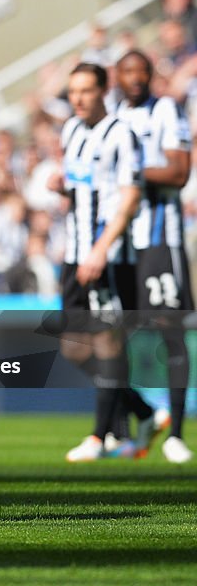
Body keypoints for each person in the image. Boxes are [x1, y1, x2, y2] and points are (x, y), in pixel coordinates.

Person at [51, 63, 152, 463]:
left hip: (108, 255)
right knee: (74, 348)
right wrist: (61, 187)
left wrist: (101, 247)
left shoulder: (121, 134)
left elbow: (129, 196)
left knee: (109, 340)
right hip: (75, 253)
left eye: (86, 91)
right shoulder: (71, 130)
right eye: (73, 91)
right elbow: (82, 186)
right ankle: (143, 411)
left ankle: (98, 437)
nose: (78, 98)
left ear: (103, 92)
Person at [115, 50, 193, 464]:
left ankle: (177, 433)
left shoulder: (166, 109)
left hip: (161, 239)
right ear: (117, 77)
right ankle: (138, 416)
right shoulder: (111, 116)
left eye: (141, 71)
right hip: (118, 241)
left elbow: (179, 172)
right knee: (104, 333)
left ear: (150, 75)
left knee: (170, 330)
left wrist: (125, 171)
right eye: (127, 71)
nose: (135, 78)